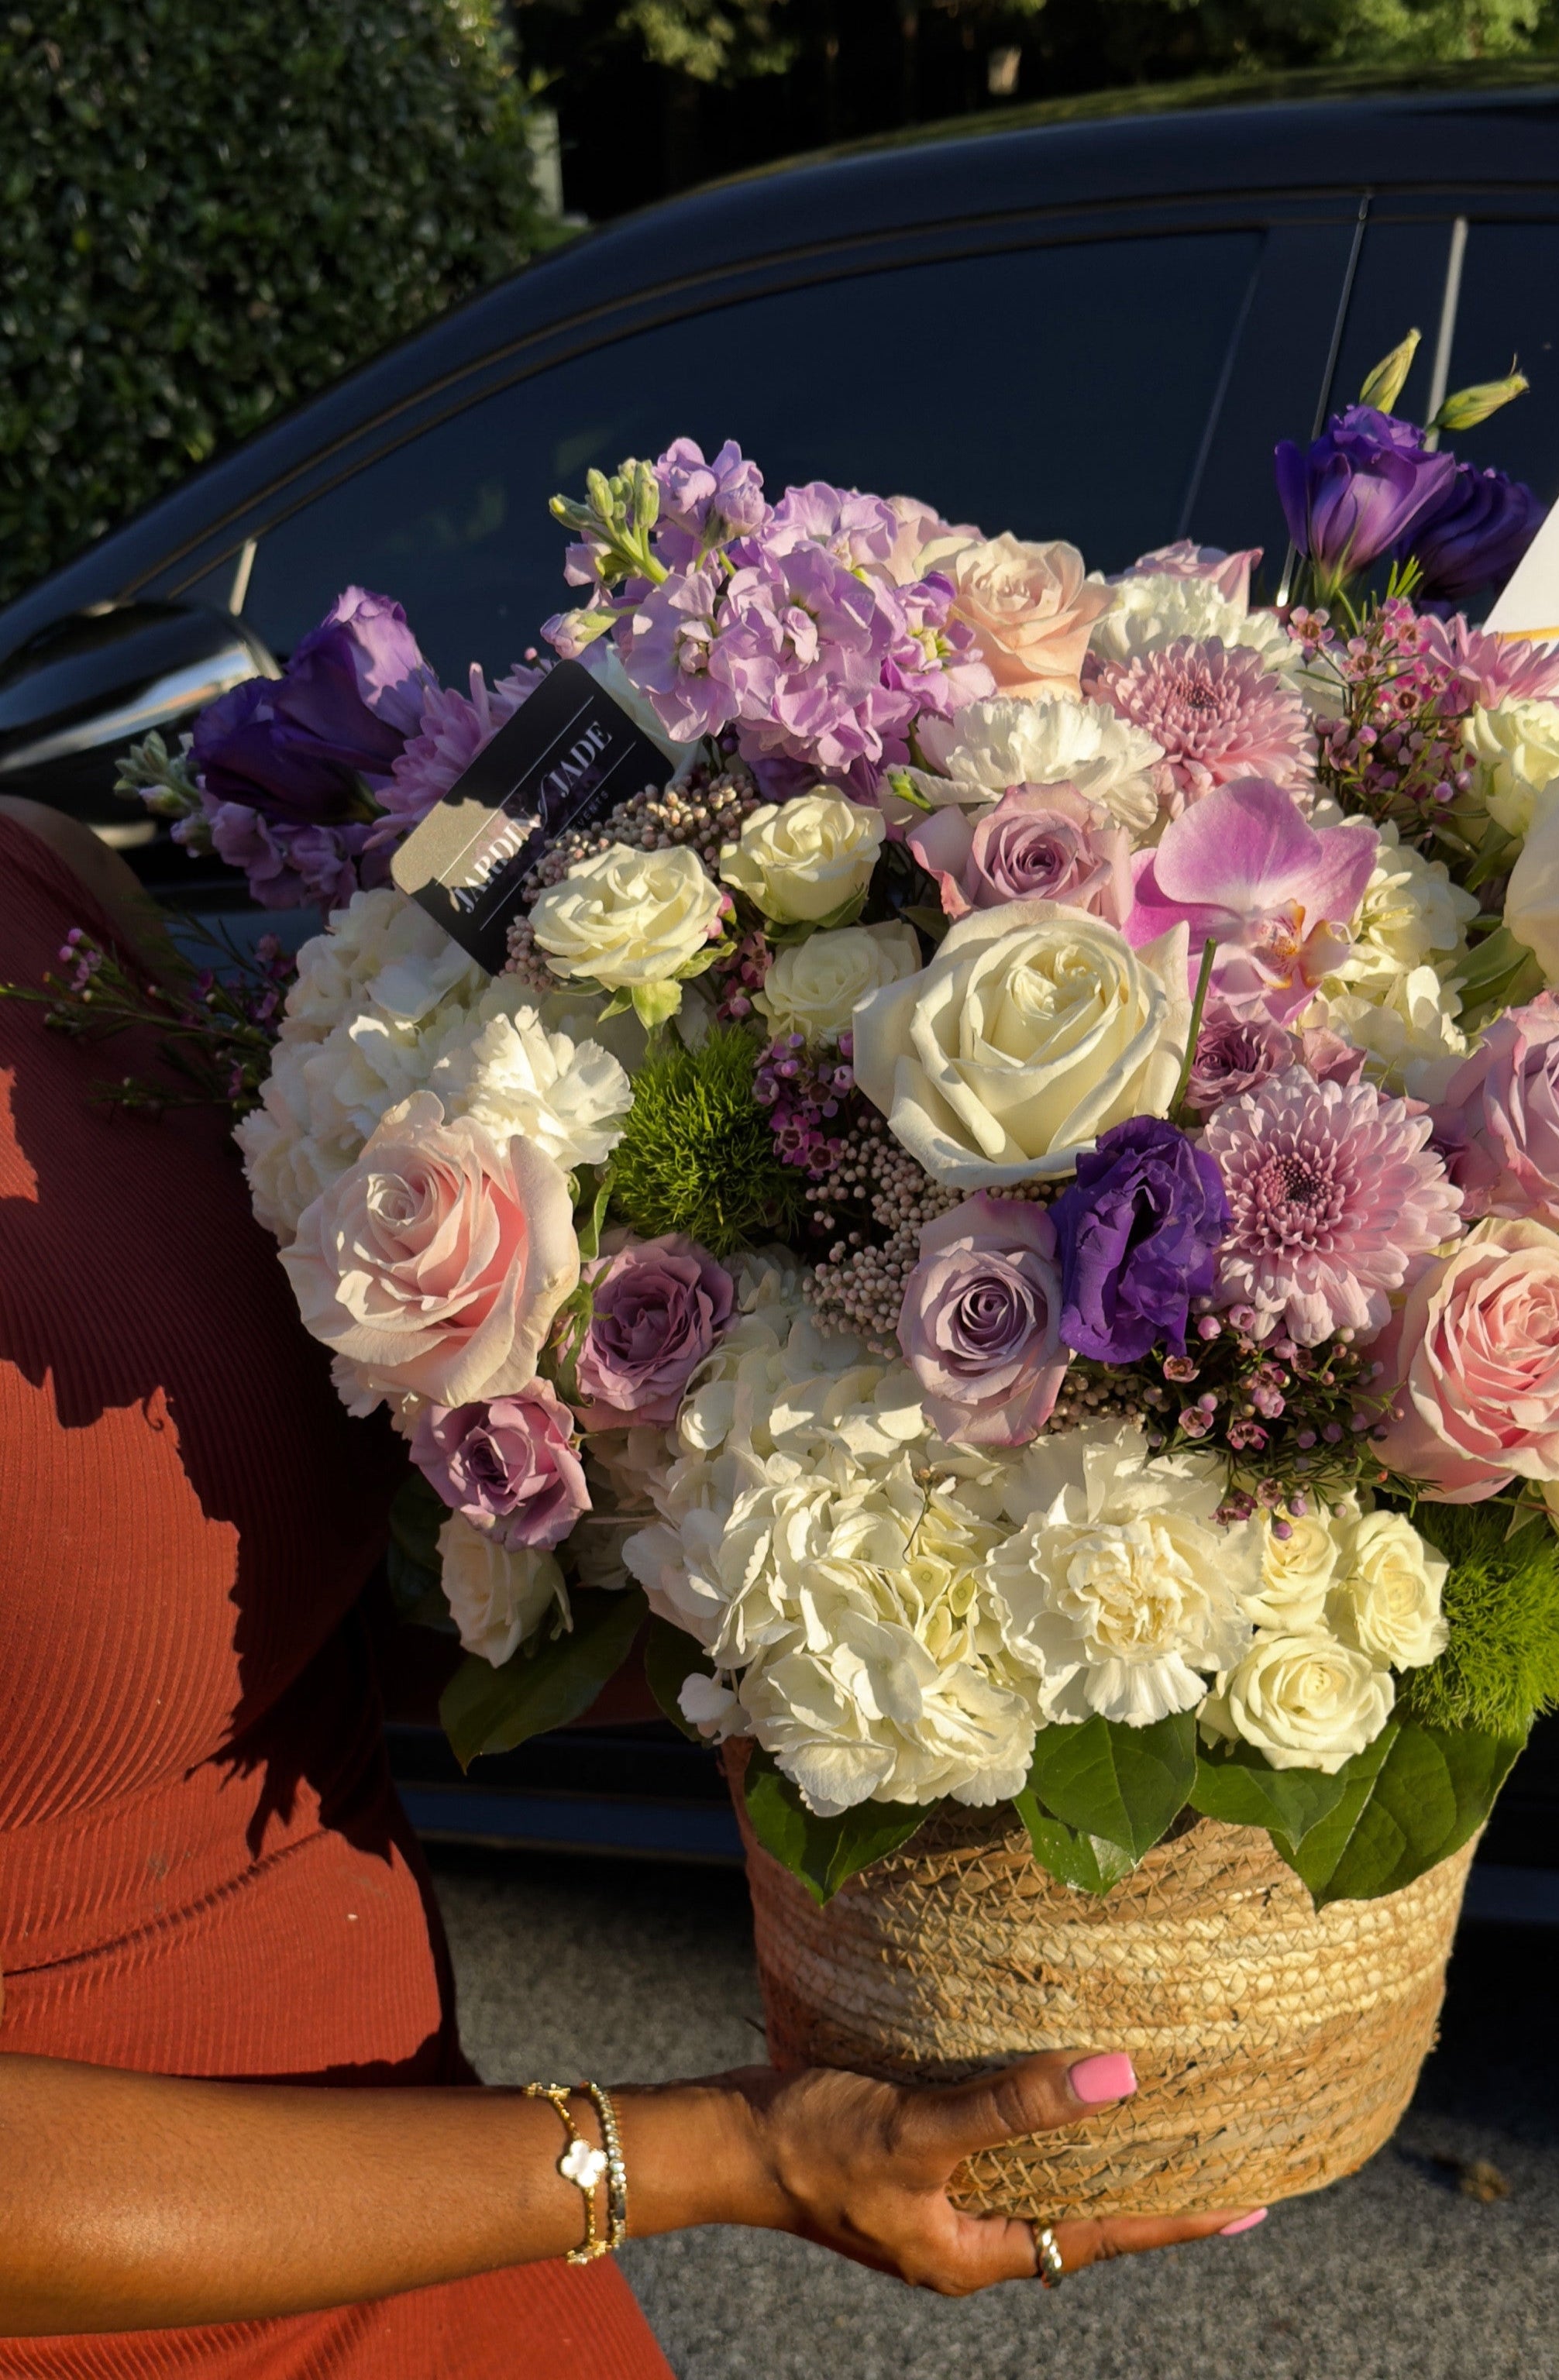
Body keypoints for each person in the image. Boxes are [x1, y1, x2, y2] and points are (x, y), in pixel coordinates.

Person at [0, 800, 1258, 2366]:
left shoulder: (45, 886)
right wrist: (714, 2156)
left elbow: (193, 1611)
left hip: (445, 2231)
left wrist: (832, 1621)